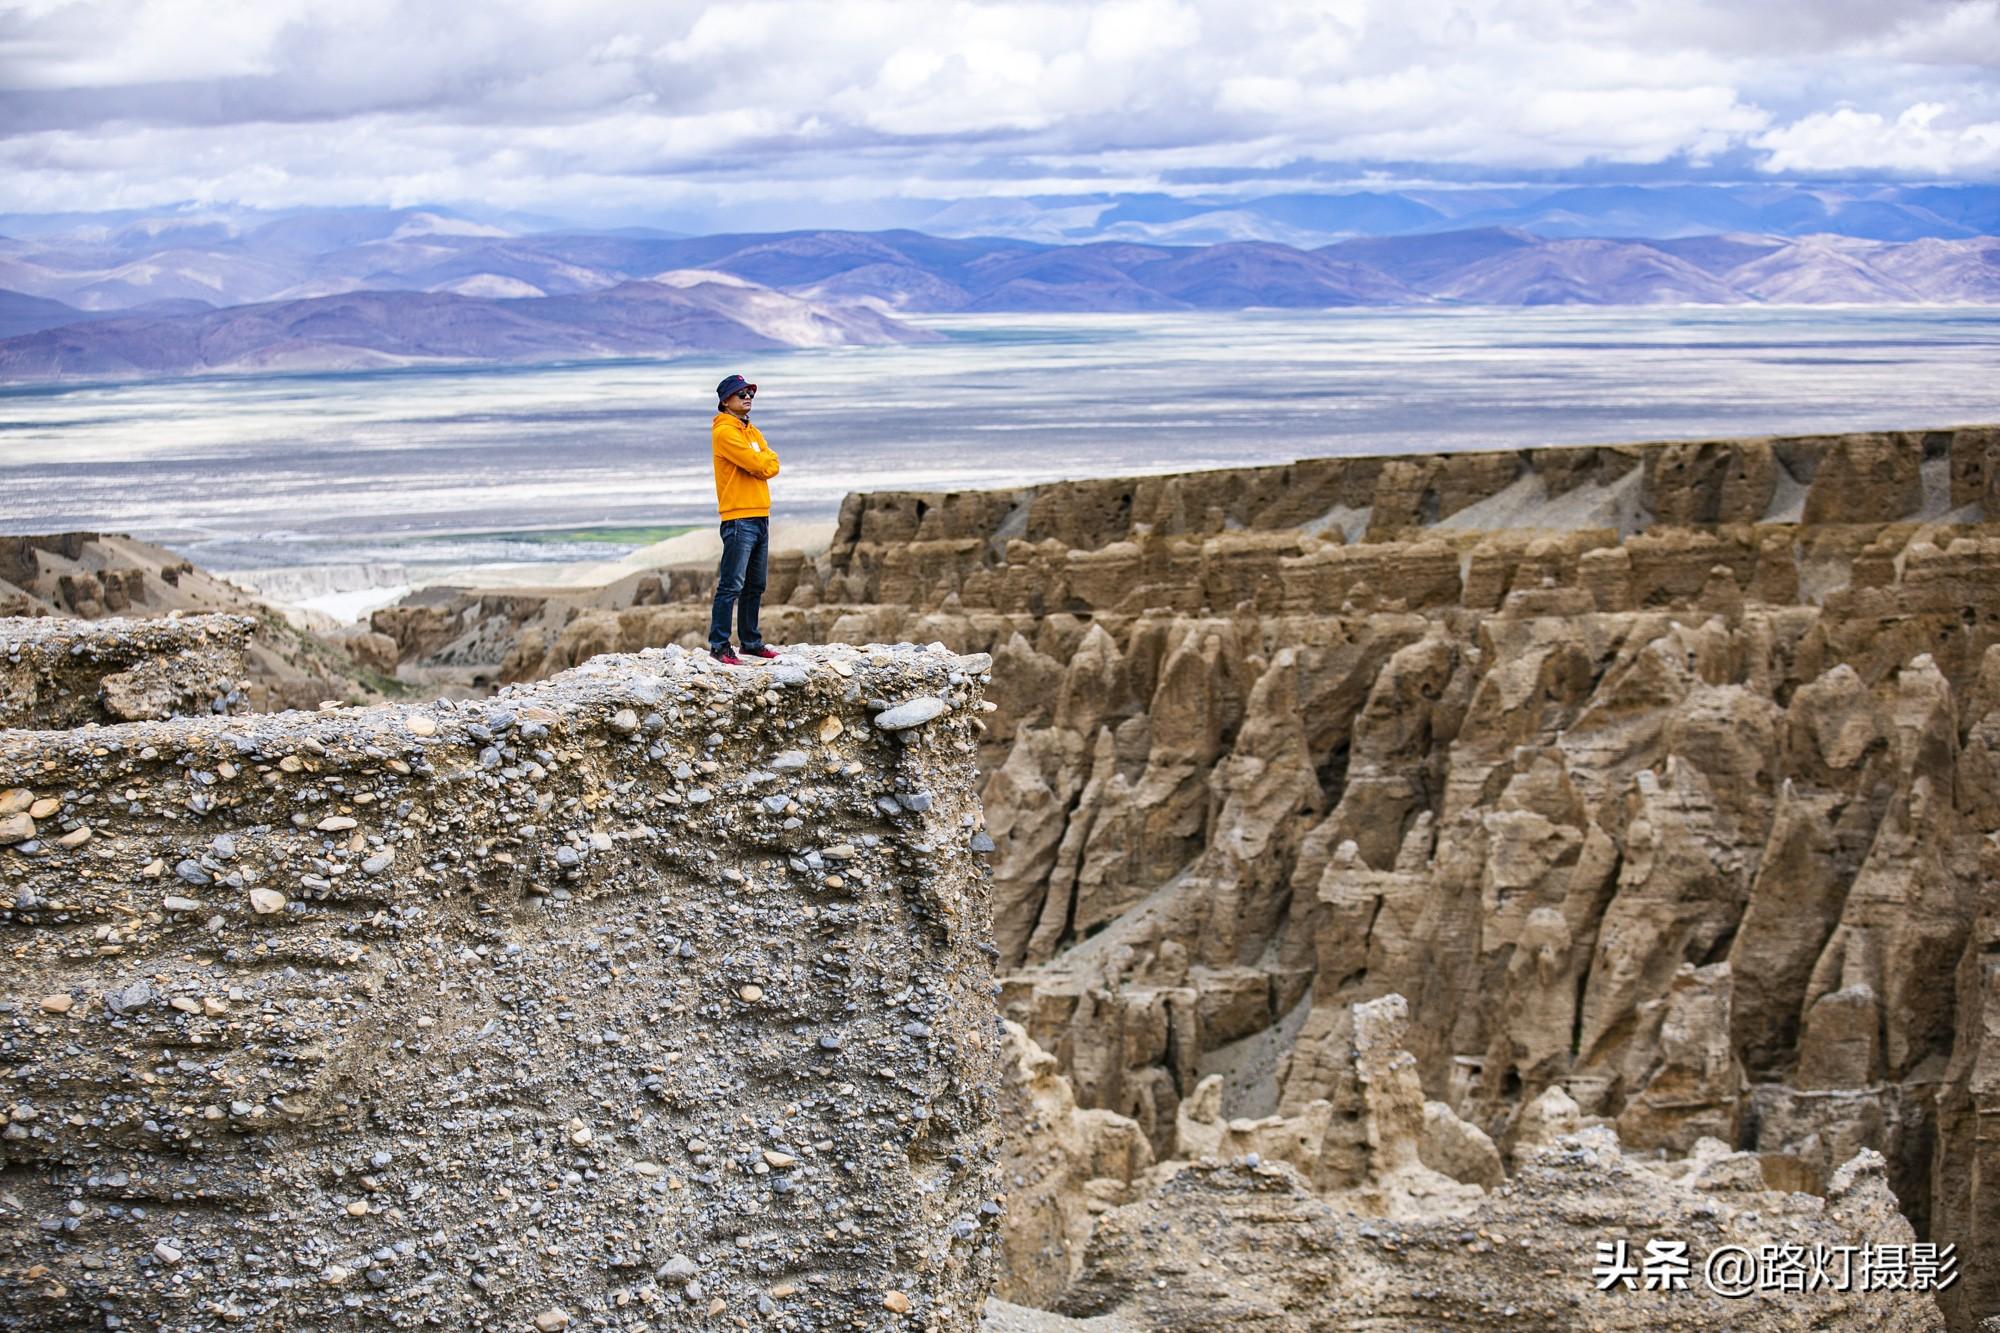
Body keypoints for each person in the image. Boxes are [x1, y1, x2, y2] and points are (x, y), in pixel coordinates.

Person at [707, 373, 781, 665]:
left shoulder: (751, 430)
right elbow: (758, 463)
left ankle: (750, 641)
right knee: (731, 584)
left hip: (759, 514)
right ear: (725, 401)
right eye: (741, 393)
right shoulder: (725, 432)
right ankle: (720, 645)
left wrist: (763, 462)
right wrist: (762, 461)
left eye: (750, 392)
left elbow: (771, 463)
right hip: (739, 518)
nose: (748, 396)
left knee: (755, 584)